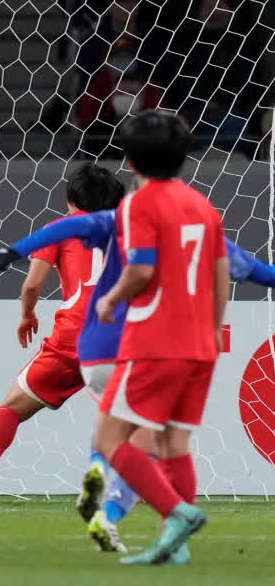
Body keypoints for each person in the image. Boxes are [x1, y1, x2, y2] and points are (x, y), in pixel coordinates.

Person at [0, 203, 275, 554]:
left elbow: (64, 231)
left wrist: (14, 251)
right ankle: (148, 529)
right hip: (189, 347)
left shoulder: (131, 223)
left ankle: (125, 493)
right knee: (167, 443)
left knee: (115, 438)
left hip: (122, 343)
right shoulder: (205, 229)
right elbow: (259, 272)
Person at [91, 110, 225, 565]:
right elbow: (220, 273)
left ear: (128, 160)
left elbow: (142, 267)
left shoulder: (139, 204)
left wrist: (110, 299)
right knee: (173, 444)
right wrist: (210, 328)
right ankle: (176, 547)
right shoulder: (203, 206)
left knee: (111, 440)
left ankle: (177, 513)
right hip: (199, 343)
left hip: (154, 341)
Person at [0, 164, 125, 505]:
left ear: (71, 201)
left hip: (71, 340)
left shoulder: (61, 229)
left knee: (10, 408)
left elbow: (32, 283)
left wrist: (27, 315)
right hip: (118, 341)